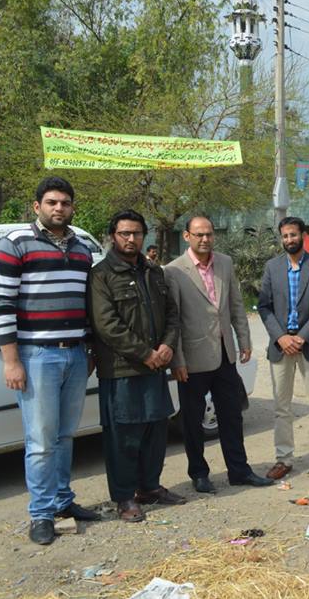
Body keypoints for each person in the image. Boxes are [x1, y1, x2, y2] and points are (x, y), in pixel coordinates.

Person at [0, 176, 100, 545]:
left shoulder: (82, 248)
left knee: (66, 436)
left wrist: (89, 349)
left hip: (74, 353)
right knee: (39, 441)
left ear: (72, 208)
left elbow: (87, 305)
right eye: (52, 202)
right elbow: (1, 305)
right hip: (37, 357)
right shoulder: (16, 243)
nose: (59, 208)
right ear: (37, 206)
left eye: (65, 203)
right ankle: (41, 513)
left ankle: (63, 502)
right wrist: (10, 361)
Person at [89, 210, 185, 523]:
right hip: (122, 371)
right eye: (124, 234)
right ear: (112, 236)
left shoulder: (154, 272)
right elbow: (107, 325)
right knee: (124, 438)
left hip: (155, 367)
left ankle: (149, 488)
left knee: (156, 431)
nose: (131, 239)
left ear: (145, 236)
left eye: (137, 233)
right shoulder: (101, 275)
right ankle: (125, 497)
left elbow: (172, 313)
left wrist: (167, 345)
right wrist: (145, 353)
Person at [165, 216, 272, 492]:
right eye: (199, 234)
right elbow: (172, 319)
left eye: (209, 234)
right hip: (193, 359)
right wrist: (177, 360)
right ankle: (199, 474)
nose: (205, 239)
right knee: (192, 420)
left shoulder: (224, 263)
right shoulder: (174, 271)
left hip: (225, 355)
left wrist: (244, 341)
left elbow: (235, 305)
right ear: (187, 236)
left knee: (232, 416)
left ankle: (239, 470)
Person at [257, 217, 309, 481]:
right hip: (281, 346)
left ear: (303, 235)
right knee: (282, 407)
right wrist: (281, 337)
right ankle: (284, 459)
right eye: (285, 236)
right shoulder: (272, 267)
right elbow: (264, 306)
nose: (289, 240)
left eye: (293, 235)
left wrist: (302, 337)